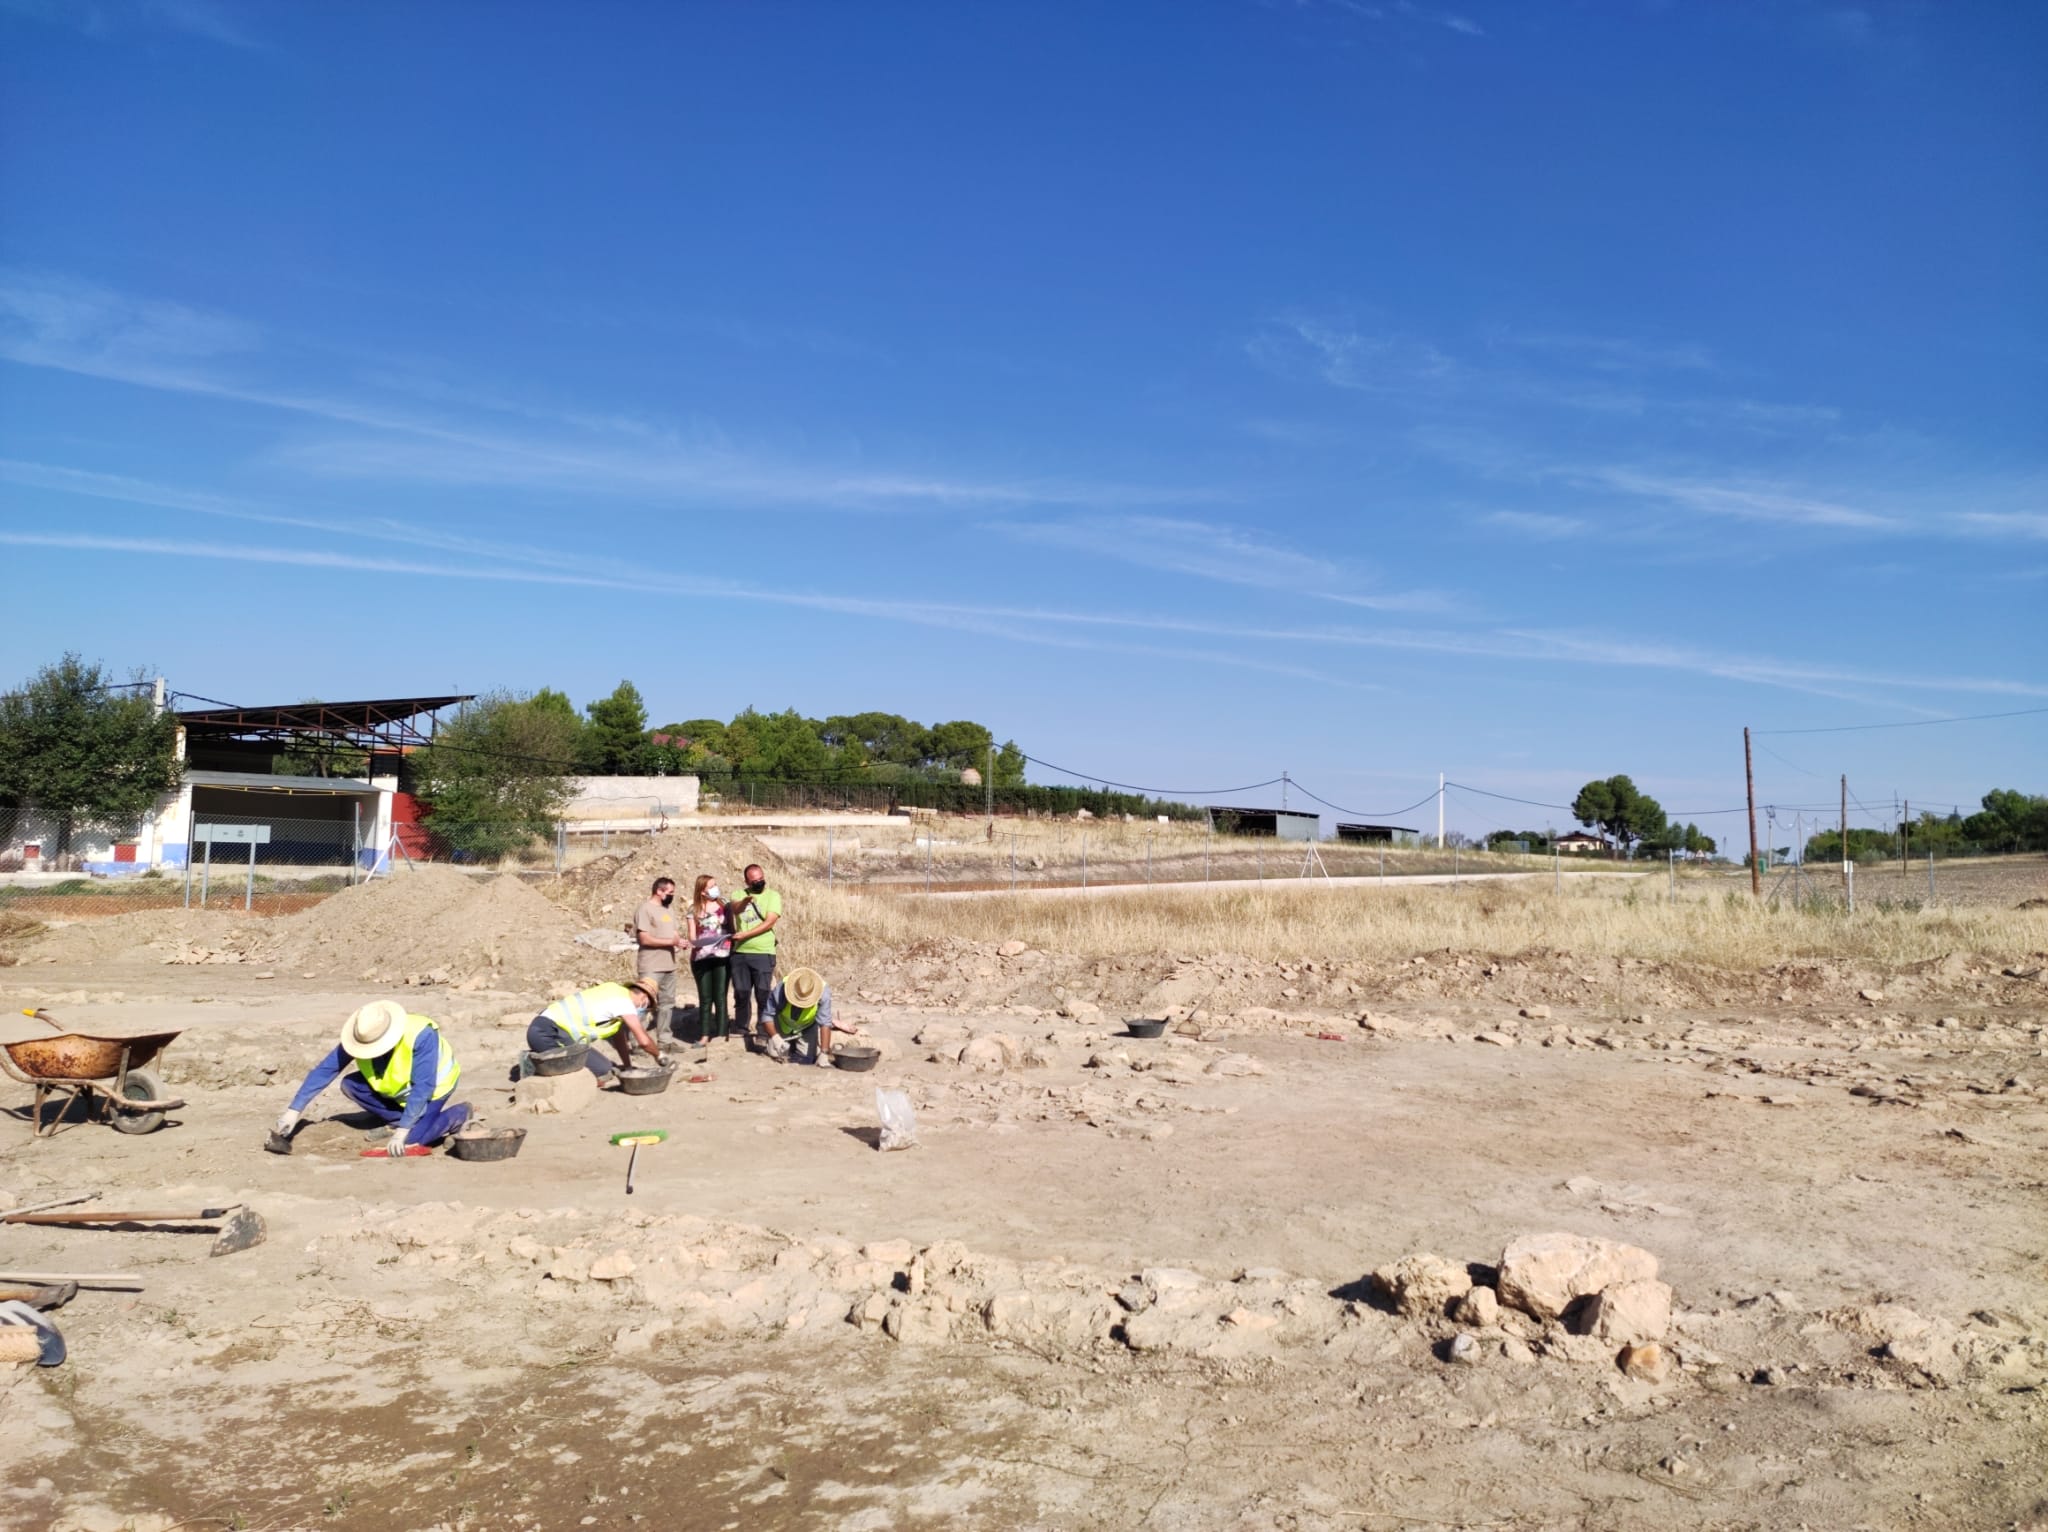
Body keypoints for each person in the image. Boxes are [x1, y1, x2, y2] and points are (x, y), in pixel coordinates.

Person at [272, 1001, 471, 1157]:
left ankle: (458, 1114)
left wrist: (403, 1132)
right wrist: (294, 1110)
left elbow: (424, 1087)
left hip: (435, 1089)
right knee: (351, 1085)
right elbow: (325, 1070)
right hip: (400, 1089)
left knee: (410, 1143)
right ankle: (400, 1119)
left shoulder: (421, 1035)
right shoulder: (361, 1035)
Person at [528, 978, 665, 1085]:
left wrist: (628, 1067)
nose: (643, 1010)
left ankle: (542, 1058)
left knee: (605, 1068)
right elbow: (644, 1041)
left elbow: (619, 1039)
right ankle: (533, 1066)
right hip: (548, 1033)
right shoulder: (625, 1003)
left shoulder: (614, 992)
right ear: (644, 999)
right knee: (599, 1073)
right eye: (646, 1007)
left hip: (552, 1031)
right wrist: (660, 1056)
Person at [761, 966, 860, 1065]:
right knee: (775, 1054)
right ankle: (785, 1042)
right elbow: (767, 1016)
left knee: (806, 1060)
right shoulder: (781, 989)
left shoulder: (823, 992)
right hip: (783, 1025)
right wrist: (776, 1038)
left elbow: (825, 1023)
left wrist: (824, 1053)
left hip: (806, 1027)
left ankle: (798, 1046)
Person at [728, 863, 782, 1042]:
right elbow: (735, 909)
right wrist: (746, 901)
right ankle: (741, 1026)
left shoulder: (773, 896)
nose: (759, 883)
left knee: (763, 992)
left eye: (761, 879)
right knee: (741, 992)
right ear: (747, 881)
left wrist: (746, 934)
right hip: (741, 952)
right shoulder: (738, 894)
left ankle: (763, 1030)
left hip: (763, 951)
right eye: (754, 881)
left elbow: (770, 921)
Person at [634, 876, 684, 1038]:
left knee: (667, 1005)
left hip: (669, 965)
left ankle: (665, 1040)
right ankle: (637, 1042)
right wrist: (671, 942)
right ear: (659, 891)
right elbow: (644, 938)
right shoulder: (645, 909)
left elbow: (674, 934)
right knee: (643, 1004)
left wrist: (680, 942)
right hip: (651, 966)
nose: (672, 896)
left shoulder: (669, 910)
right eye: (670, 892)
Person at [686, 873, 733, 1043]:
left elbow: (734, 925)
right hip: (701, 957)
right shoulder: (694, 910)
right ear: (702, 891)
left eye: (716, 885)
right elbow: (691, 936)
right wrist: (697, 942)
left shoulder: (725, 904)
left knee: (720, 996)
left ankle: (721, 1034)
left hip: (722, 955)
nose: (715, 889)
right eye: (711, 886)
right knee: (705, 997)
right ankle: (704, 1035)